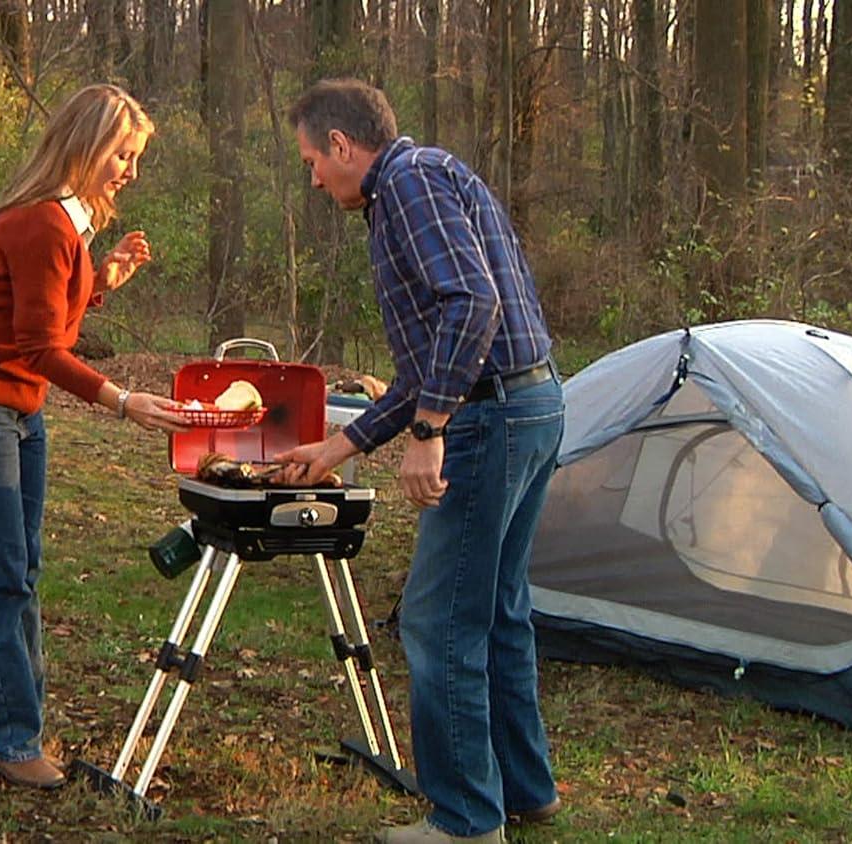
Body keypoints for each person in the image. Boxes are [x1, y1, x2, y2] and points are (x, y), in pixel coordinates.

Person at [277, 79, 565, 843]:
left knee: (438, 618)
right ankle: (525, 789)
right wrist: (341, 445)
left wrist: (432, 428)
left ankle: (467, 819)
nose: (312, 178)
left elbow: (471, 304)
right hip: (531, 404)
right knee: (497, 607)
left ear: (343, 145)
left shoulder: (405, 185)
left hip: (490, 417)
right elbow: (427, 359)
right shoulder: (425, 178)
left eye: (312, 160)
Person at [0, 84, 187, 790]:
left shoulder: (68, 222)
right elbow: (39, 346)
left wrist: (102, 281)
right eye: (122, 154)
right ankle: (5, 740)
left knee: (21, 568)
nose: (130, 169)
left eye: (135, 157)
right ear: (84, 145)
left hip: (13, 409)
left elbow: (45, 317)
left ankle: (15, 726)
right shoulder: (41, 223)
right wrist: (122, 400)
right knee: (0, 575)